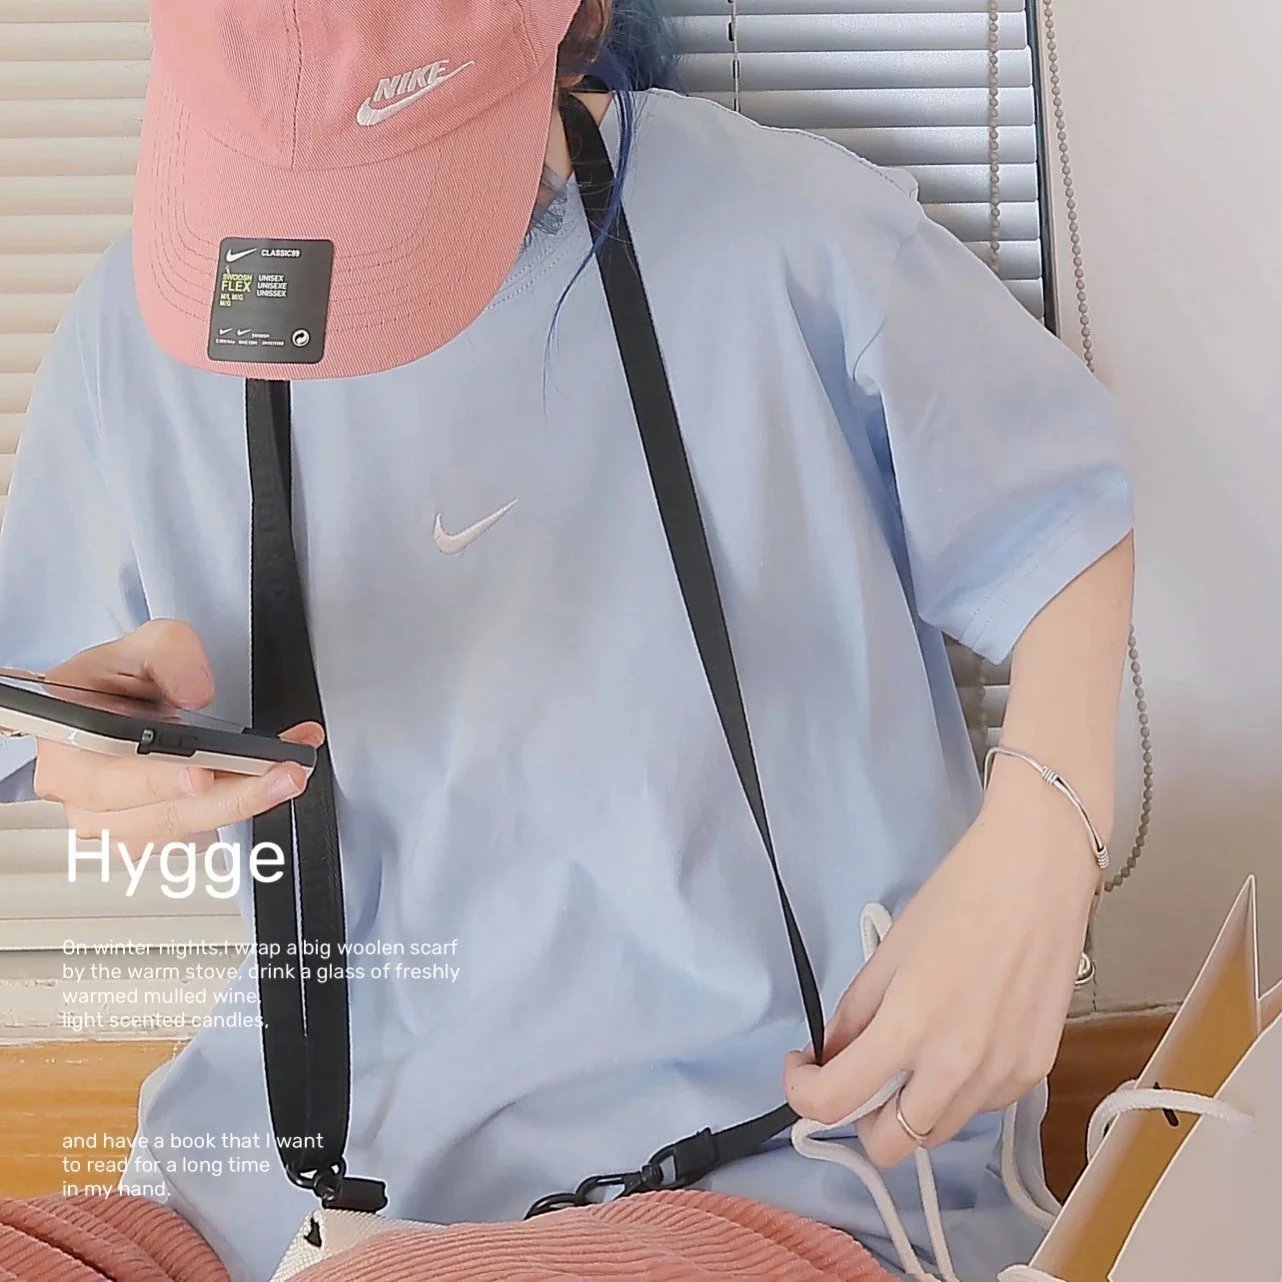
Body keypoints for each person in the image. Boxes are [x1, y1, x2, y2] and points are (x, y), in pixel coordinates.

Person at [0, 0, 1135, 1279]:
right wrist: (86, 754)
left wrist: (1046, 828)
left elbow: (1060, 513)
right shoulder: (144, 328)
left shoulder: (780, 238)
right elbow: (37, 707)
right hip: (262, 1201)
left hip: (771, 1173)